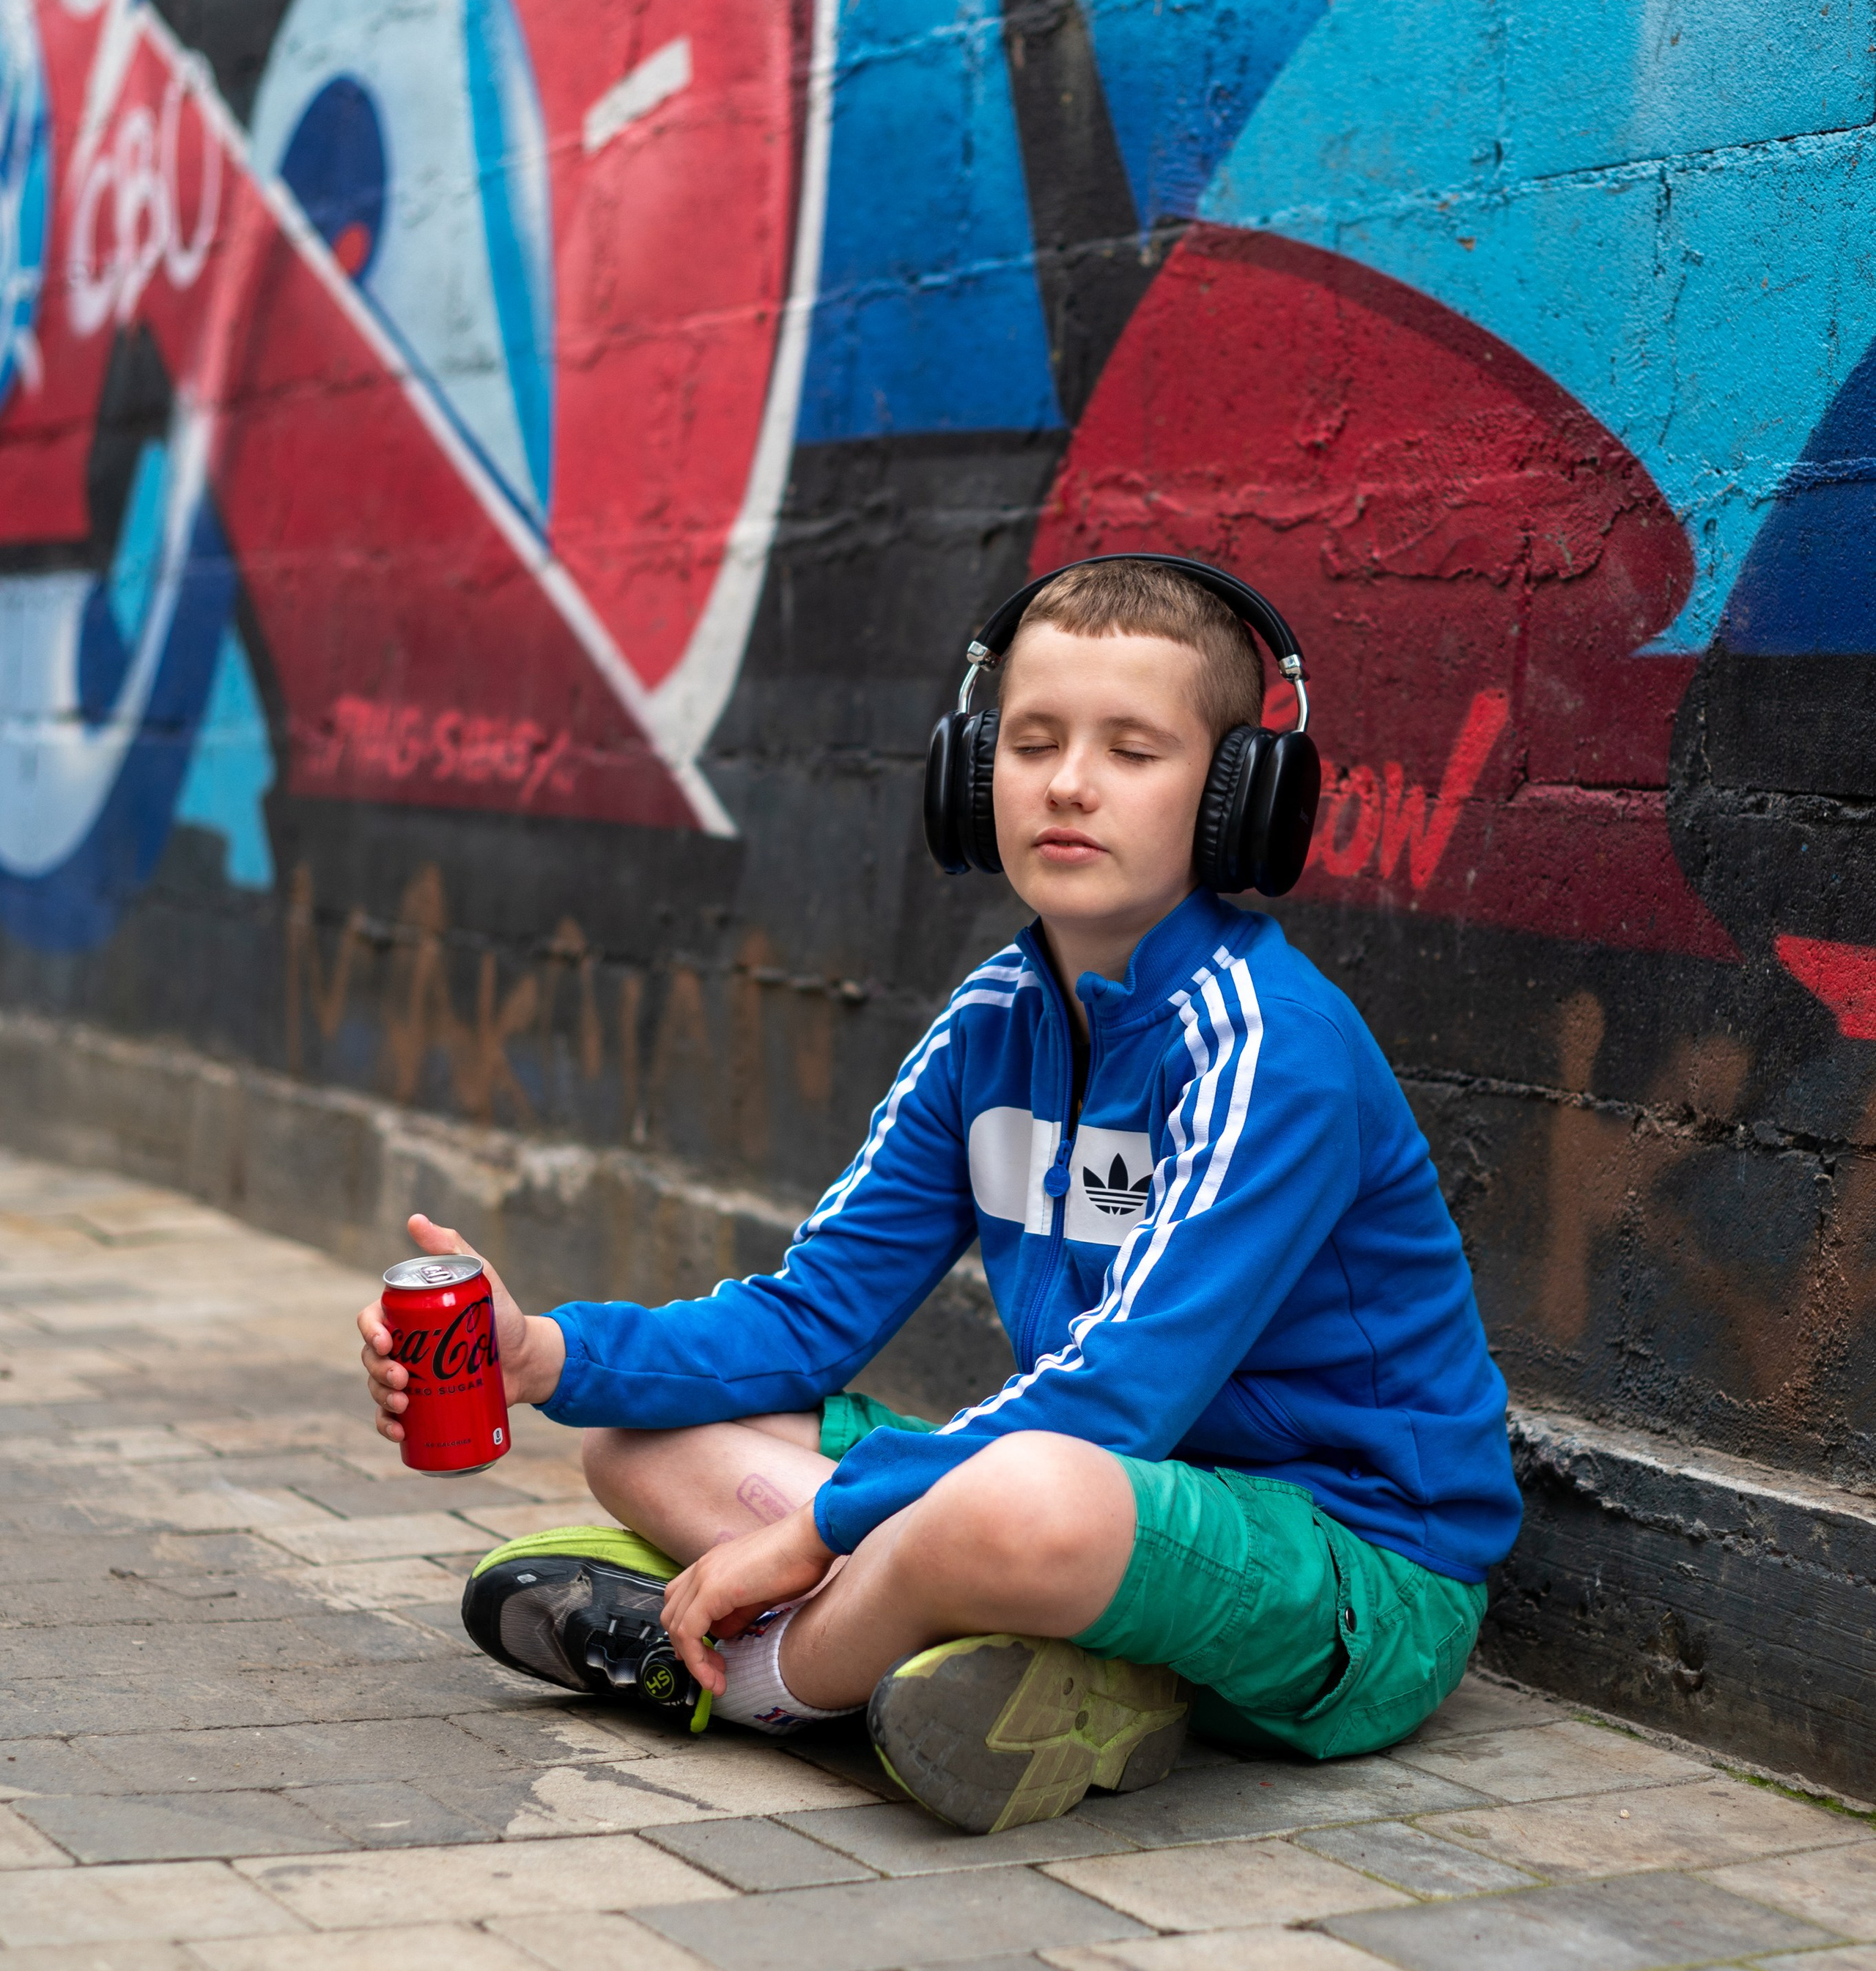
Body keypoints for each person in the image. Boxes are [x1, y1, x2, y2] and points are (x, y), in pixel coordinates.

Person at [358, 557, 1521, 1835]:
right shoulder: (991, 1029)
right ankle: (1029, 1670)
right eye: (1032, 743)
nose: (1069, 782)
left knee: (1022, 1496)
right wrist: (541, 1352)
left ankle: (740, 1678)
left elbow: (1124, 1392)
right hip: (1103, 1524)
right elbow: (813, 1316)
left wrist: (811, 1535)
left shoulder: (1271, 1048)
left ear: (1238, 797)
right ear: (976, 778)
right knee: (638, 1439)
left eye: (1134, 751)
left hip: (1351, 1579)